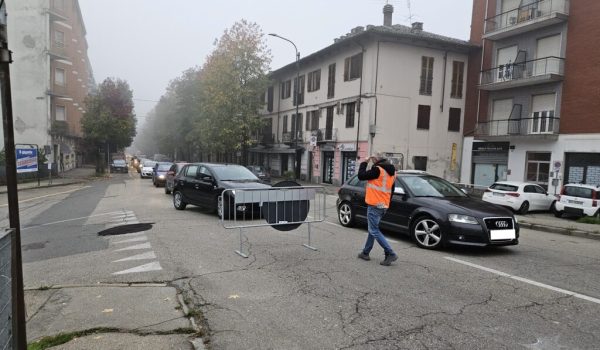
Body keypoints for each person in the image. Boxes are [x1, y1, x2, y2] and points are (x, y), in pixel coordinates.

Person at [356, 153, 398, 266]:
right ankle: (365, 252)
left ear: (376, 159)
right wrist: (386, 204)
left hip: (374, 204)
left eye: (373, 159)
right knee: (372, 229)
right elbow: (392, 190)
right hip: (383, 205)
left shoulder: (378, 170)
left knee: (374, 230)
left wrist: (365, 162)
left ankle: (390, 253)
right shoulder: (392, 172)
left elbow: (361, 175)